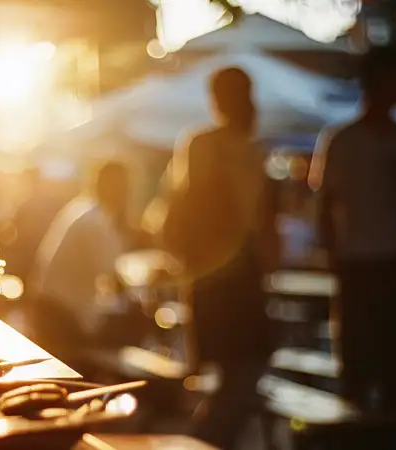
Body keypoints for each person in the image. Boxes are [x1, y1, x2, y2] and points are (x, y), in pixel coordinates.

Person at [308, 45, 396, 440]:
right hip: (363, 265)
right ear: (380, 80)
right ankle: (359, 442)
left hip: (391, 264)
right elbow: (325, 208)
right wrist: (333, 257)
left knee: (395, 371)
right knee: (361, 370)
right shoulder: (344, 141)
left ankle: (383, 441)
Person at [158, 67, 277, 449]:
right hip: (224, 278)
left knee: (239, 376)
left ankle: (205, 440)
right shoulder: (212, 146)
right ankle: (202, 442)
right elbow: (199, 207)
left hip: (229, 276)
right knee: (241, 374)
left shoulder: (236, 147)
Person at [29, 161, 130, 364]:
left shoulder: (83, 208)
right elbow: (111, 275)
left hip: (51, 306)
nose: (127, 193)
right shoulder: (94, 220)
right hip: (61, 313)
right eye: (124, 186)